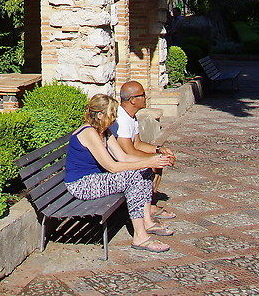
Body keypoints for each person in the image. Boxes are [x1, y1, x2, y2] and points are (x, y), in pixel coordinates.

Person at [65, 93, 175, 253]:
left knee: (142, 170)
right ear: (100, 114)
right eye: (112, 114)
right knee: (134, 176)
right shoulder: (89, 133)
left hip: (96, 179)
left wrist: (154, 158)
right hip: (81, 184)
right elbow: (112, 167)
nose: (114, 118)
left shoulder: (104, 132)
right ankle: (140, 237)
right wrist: (149, 162)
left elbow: (123, 157)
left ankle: (147, 222)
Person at [108, 80, 177, 223]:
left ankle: (149, 203)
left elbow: (138, 143)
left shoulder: (131, 117)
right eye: (143, 95)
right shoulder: (121, 120)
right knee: (153, 165)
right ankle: (147, 207)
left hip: (126, 157)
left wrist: (158, 150)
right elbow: (128, 151)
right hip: (118, 162)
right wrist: (155, 159)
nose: (146, 98)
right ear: (132, 100)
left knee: (158, 162)